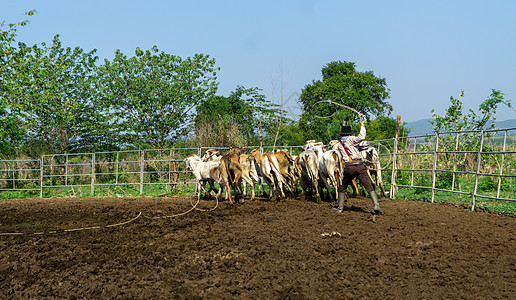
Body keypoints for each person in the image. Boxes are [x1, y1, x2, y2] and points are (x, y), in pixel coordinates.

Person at [333, 121, 383, 214]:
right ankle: (376, 205)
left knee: (343, 186)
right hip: (360, 165)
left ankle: (340, 208)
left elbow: (349, 149)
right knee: (368, 186)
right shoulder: (351, 139)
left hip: (349, 167)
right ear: (350, 133)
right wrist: (362, 126)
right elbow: (361, 137)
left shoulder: (340, 144)